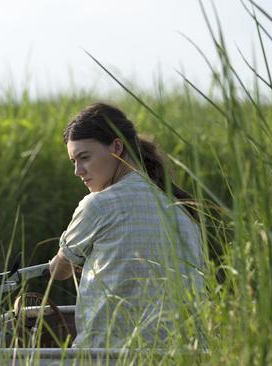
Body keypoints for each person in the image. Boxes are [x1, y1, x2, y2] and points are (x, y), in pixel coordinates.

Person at [49, 102, 205, 349]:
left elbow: (58, 271)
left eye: (84, 157)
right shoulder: (181, 209)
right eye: (73, 161)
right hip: (186, 352)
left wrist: (65, 262)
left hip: (110, 355)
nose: (78, 171)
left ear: (117, 148)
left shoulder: (97, 205)